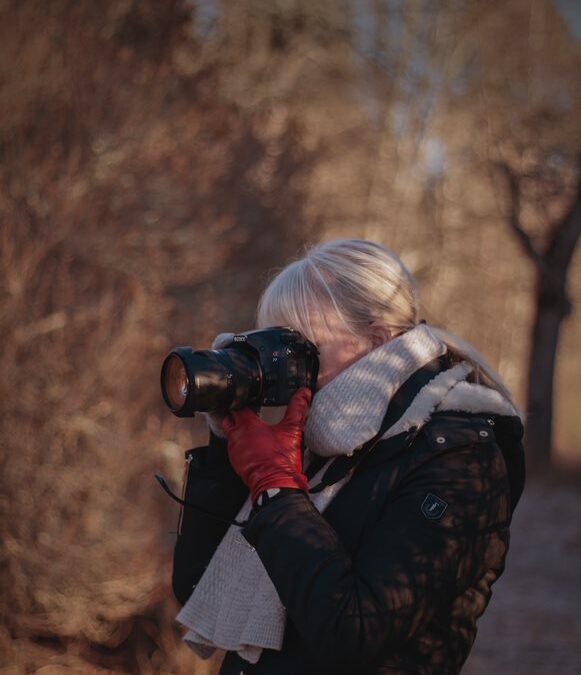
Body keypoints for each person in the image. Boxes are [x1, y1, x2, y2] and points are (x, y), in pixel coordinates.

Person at [171, 239, 526, 675]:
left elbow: (357, 631)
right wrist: (227, 444)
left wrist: (278, 490)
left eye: (302, 345)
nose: (286, 363)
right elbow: (197, 584)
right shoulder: (316, 440)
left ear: (376, 341)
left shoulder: (461, 459)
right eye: (275, 343)